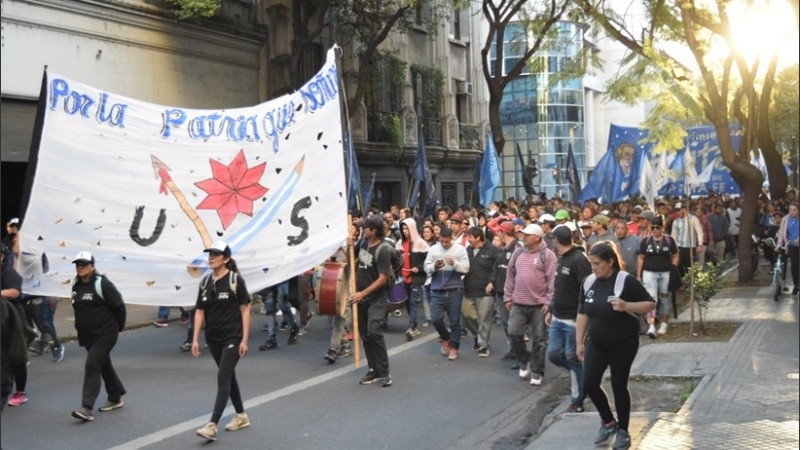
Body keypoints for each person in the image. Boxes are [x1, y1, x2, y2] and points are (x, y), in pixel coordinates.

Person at [576, 241, 656, 449]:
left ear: (610, 262)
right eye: (591, 263)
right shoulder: (588, 282)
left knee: (618, 385)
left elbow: (650, 304)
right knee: (589, 383)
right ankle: (608, 422)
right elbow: (582, 313)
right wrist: (579, 341)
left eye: (597, 263)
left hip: (623, 343)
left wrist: (626, 305)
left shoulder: (625, 281)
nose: (593, 267)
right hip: (596, 343)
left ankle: (624, 431)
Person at [192, 241, 252, 441]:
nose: (211, 258)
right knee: (228, 376)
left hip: (233, 337)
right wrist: (195, 340)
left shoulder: (235, 280)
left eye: (215, 254)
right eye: (209, 254)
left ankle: (212, 424)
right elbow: (200, 311)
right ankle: (241, 415)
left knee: (223, 377)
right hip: (214, 338)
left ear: (225, 259)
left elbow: (245, 310)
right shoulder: (205, 282)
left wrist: (244, 339)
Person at [70, 251, 127, 422]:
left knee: (92, 364)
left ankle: (87, 408)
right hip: (88, 335)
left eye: (84, 264)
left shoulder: (102, 283)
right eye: (78, 265)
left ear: (92, 266)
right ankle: (115, 396)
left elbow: (119, 306)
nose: (80, 267)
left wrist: (118, 328)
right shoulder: (76, 285)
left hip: (106, 333)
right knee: (103, 365)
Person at [504, 224, 556, 386]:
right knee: (513, 333)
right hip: (518, 303)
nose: (524, 237)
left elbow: (552, 281)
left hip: (539, 305)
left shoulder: (548, 255)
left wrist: (549, 302)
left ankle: (537, 370)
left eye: (527, 235)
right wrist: (507, 296)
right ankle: (525, 359)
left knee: (539, 339)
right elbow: (510, 275)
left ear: (536, 238)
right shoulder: (518, 252)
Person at [547, 224, 591, 412]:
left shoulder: (579, 260)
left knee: (572, 358)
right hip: (557, 317)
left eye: (553, 238)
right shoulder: (561, 258)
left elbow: (586, 288)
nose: (552, 241)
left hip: (573, 320)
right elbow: (559, 287)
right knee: (554, 354)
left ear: (556, 240)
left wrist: (583, 316)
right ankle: (582, 374)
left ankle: (577, 400)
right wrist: (550, 308)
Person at [351, 216, 393, 386]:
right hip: (360, 297)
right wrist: (347, 244)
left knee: (374, 330)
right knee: (365, 334)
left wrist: (363, 293)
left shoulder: (383, 250)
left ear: (373, 231)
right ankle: (373, 369)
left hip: (376, 297)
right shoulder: (361, 243)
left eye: (365, 227)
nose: (362, 229)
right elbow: (350, 256)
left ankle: (384, 372)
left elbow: (383, 278)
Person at [424, 227, 470, 361]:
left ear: (452, 238)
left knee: (455, 321)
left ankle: (454, 347)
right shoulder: (433, 249)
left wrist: (454, 263)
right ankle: (446, 338)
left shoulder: (460, 249)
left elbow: (466, 268)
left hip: (454, 289)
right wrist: (434, 267)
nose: (444, 244)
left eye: (447, 241)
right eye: (442, 241)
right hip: (437, 289)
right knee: (435, 319)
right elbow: (426, 267)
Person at [637, 217, 679, 337]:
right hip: (649, 273)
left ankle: (664, 323)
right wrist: (639, 275)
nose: (655, 230)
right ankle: (651, 325)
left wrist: (673, 268)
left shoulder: (669, 240)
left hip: (666, 273)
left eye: (658, 227)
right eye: (653, 227)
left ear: (663, 227)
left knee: (665, 298)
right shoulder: (645, 241)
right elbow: (640, 257)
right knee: (651, 299)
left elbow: (675, 255)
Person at [462, 226, 499, 357]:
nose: (468, 239)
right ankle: (478, 336)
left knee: (484, 319)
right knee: (466, 316)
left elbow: (497, 269)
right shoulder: (467, 250)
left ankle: (483, 345)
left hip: (485, 292)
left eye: (470, 237)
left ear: (478, 238)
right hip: (468, 289)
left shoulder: (493, 250)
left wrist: (492, 282)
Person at [1, 243, 30, 407]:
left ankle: (20, 391)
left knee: (16, 355)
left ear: (1, 257)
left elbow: (15, 291)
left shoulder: (8, 271)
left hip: (12, 318)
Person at [489, 221, 520, 364]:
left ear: (504, 232)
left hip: (512, 295)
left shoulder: (517, 250)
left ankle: (520, 355)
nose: (497, 235)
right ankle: (514, 350)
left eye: (499, 232)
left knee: (514, 326)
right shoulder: (502, 250)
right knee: (506, 325)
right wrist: (492, 282)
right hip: (500, 292)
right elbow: (496, 267)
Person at [396, 218, 429, 341]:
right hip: (402, 277)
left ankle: (411, 327)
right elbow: (396, 259)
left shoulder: (421, 243)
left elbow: (428, 260)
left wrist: (419, 268)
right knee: (408, 302)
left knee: (413, 302)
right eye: (403, 228)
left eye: (407, 228)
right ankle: (414, 325)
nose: (405, 231)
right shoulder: (399, 243)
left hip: (415, 278)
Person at [776, 202, 800, 295]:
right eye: (790, 210)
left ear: (798, 211)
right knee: (794, 265)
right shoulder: (785, 219)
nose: (792, 212)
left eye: (794, 210)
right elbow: (781, 233)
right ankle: (796, 285)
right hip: (792, 245)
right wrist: (779, 244)